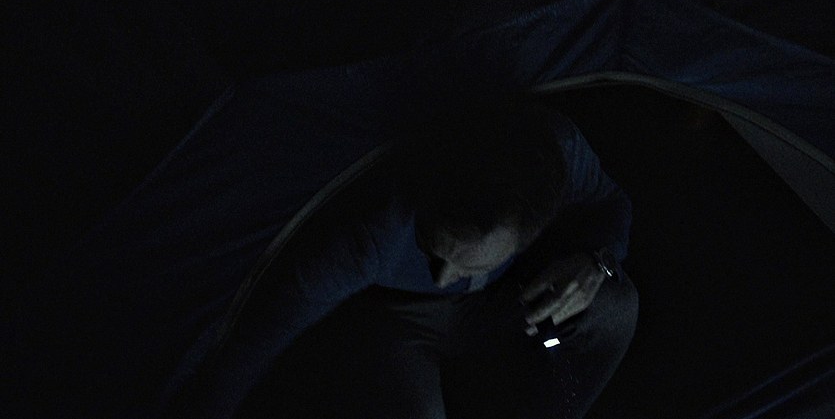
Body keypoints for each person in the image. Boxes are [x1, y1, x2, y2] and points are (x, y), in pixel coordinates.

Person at [176, 97, 638, 419]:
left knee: (614, 306)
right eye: (434, 252)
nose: (443, 278)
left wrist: (596, 261)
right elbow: (265, 332)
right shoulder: (374, 235)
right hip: (402, 329)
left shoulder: (559, 156)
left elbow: (611, 203)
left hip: (511, 306)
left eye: (468, 265)